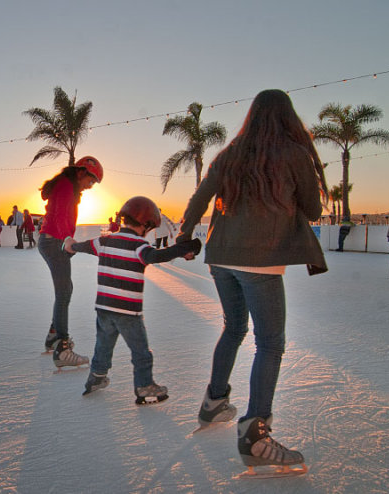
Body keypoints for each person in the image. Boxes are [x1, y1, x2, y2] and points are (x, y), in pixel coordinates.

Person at [177, 90, 327, 473]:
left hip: (221, 256)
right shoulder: (293, 154)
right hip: (260, 260)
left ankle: (214, 403)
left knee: (234, 327)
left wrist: (184, 235)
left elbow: (200, 198)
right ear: (288, 117)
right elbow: (312, 208)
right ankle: (255, 434)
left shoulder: (230, 153)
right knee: (270, 342)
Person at [64, 196, 200, 404]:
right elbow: (156, 256)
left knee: (103, 345)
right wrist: (184, 250)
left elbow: (81, 246)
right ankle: (144, 385)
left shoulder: (104, 241)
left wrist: (70, 245)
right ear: (146, 224)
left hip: (104, 308)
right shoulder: (139, 245)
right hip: (128, 311)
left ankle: (96, 377)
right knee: (141, 351)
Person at [38, 155, 104, 368]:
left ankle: (54, 334)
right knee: (64, 291)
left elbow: (62, 216)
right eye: (91, 180)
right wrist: (66, 239)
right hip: (54, 242)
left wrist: (66, 238)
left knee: (65, 289)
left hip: (53, 241)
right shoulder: (66, 185)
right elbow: (59, 216)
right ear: (81, 172)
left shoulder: (67, 185)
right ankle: (62, 349)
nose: (91, 186)